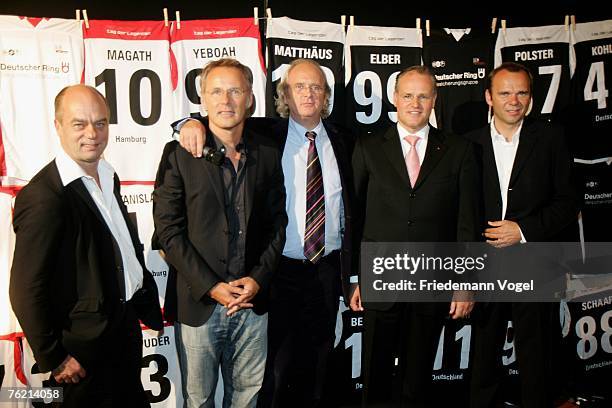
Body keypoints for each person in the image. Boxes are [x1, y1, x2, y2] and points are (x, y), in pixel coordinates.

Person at [176, 58, 356, 408]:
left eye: (316, 86)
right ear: (284, 94)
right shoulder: (262, 134)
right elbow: (221, 117)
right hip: (276, 271)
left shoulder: (345, 139)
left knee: (318, 362)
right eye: (298, 86)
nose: (308, 93)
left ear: (327, 95)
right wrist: (189, 122)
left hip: (326, 269)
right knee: (271, 371)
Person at [9, 84, 163, 407]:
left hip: (122, 333)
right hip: (82, 354)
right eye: (79, 123)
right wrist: (55, 358)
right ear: (58, 126)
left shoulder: (108, 176)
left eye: (100, 122)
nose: (92, 133)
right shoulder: (44, 197)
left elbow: (118, 247)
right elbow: (25, 290)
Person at [152, 58, 287, 408]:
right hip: (200, 304)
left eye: (234, 91)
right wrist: (212, 287)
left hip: (252, 302)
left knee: (249, 397)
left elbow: (277, 224)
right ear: (202, 100)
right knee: (199, 400)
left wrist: (257, 280)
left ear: (250, 98)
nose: (225, 100)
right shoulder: (179, 153)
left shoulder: (269, 153)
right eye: (216, 91)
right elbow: (168, 231)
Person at [349, 65, 481, 407]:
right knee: (374, 378)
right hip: (380, 280)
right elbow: (354, 219)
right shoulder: (367, 148)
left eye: (423, 95)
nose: (415, 103)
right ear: (395, 98)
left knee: (417, 379)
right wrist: (355, 277)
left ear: (435, 99)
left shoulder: (458, 150)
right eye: (408, 95)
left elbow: (467, 223)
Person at [465, 62, 579, 408]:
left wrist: (523, 231)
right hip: (486, 263)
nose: (514, 100)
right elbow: (462, 209)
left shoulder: (550, 137)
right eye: (504, 92)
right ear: (489, 97)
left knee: (537, 350)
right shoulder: (469, 144)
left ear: (530, 98)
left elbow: (568, 201)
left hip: (536, 260)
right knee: (484, 350)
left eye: (522, 92)